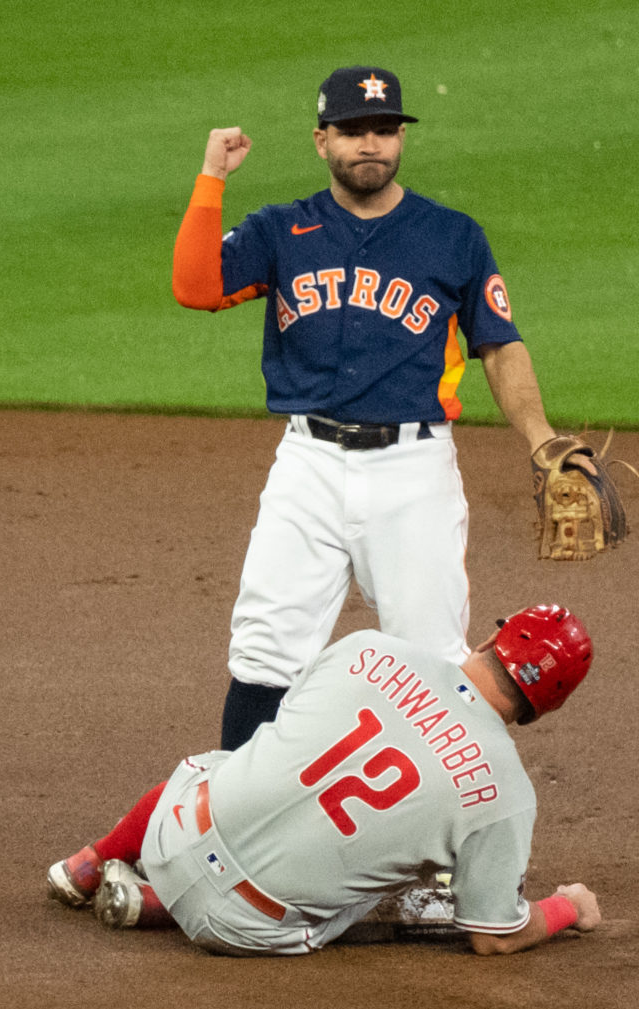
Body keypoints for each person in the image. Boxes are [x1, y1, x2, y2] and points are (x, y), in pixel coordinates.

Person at [172, 65, 568, 751]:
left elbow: (500, 346)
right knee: (265, 651)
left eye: (385, 131)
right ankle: (235, 825)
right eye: (354, 131)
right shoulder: (280, 230)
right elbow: (196, 285)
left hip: (413, 470)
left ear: (400, 140)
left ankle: (444, 844)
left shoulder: (452, 236)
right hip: (308, 466)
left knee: (434, 661)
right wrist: (213, 177)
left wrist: (540, 438)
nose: (371, 145)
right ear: (321, 140)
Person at [47, 604, 602, 957]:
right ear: (543, 710)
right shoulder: (506, 794)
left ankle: (90, 864)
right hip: (242, 929)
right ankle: (154, 906)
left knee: (229, 764)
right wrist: (569, 908)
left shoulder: (370, 648)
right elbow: (494, 935)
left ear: (488, 640)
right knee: (406, 878)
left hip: (172, 836)